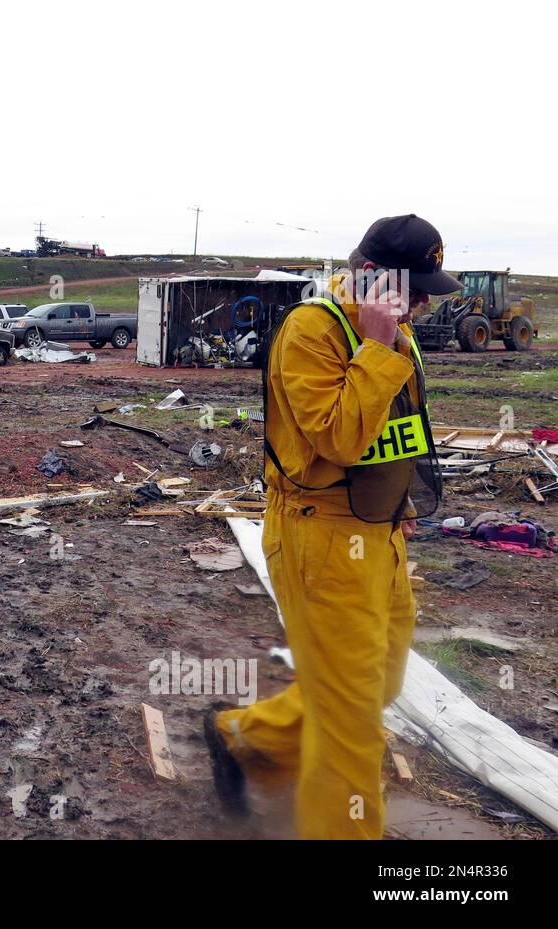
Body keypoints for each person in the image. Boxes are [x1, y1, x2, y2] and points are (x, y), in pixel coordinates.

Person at [204, 214, 462, 839]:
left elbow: (393, 435)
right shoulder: (313, 330)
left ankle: (245, 738)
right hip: (322, 537)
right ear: (372, 277)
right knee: (351, 728)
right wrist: (377, 347)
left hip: (380, 533)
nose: (425, 302)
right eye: (416, 288)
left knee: (380, 681)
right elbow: (340, 439)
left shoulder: (392, 333)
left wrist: (400, 506)